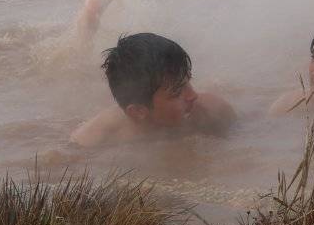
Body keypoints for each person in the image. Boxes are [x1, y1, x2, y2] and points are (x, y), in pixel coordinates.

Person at [69, 32, 236, 148]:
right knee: (77, 68)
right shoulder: (99, 135)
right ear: (138, 112)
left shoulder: (212, 111)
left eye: (188, 81)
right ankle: (89, 17)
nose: (193, 95)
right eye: (177, 93)